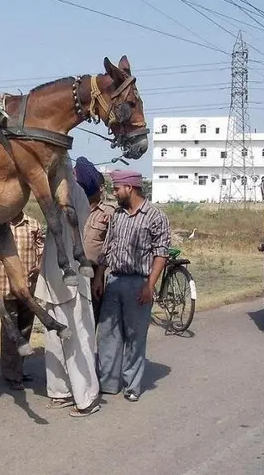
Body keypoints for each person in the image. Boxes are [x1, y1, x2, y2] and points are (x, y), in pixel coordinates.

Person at [92, 169, 171, 402]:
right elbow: (108, 248)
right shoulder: (117, 215)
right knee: (107, 334)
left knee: (135, 336)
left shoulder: (155, 216)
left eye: (117, 188)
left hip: (139, 283)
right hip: (115, 281)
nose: (114, 193)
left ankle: (132, 385)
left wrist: (150, 285)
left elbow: (161, 254)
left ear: (130, 188)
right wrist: (99, 277)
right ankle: (108, 382)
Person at [34, 164, 101, 417]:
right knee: (54, 340)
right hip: (54, 278)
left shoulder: (72, 193)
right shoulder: (56, 191)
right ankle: (60, 391)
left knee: (78, 339)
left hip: (71, 278)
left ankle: (87, 398)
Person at [0, 211, 45, 391]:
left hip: (27, 289)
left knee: (25, 329)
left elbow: (41, 248)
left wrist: (40, 265)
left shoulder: (33, 225)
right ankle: (11, 374)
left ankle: (18, 369)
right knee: (11, 333)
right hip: (4, 287)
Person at [73, 156, 117, 323]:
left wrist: (99, 276)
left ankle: (92, 349)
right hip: (74, 271)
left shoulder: (109, 213)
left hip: (94, 274)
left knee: (92, 319)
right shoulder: (74, 209)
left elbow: (109, 248)